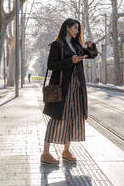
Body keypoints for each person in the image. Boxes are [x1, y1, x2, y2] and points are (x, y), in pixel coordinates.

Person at [41, 18, 98, 165]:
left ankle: (66, 150)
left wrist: (91, 47)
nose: (77, 31)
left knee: (74, 117)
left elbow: (92, 55)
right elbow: (51, 65)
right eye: (75, 28)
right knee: (57, 118)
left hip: (77, 87)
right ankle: (46, 153)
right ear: (67, 28)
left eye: (78, 29)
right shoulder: (57, 44)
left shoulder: (76, 44)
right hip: (62, 88)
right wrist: (69, 61)